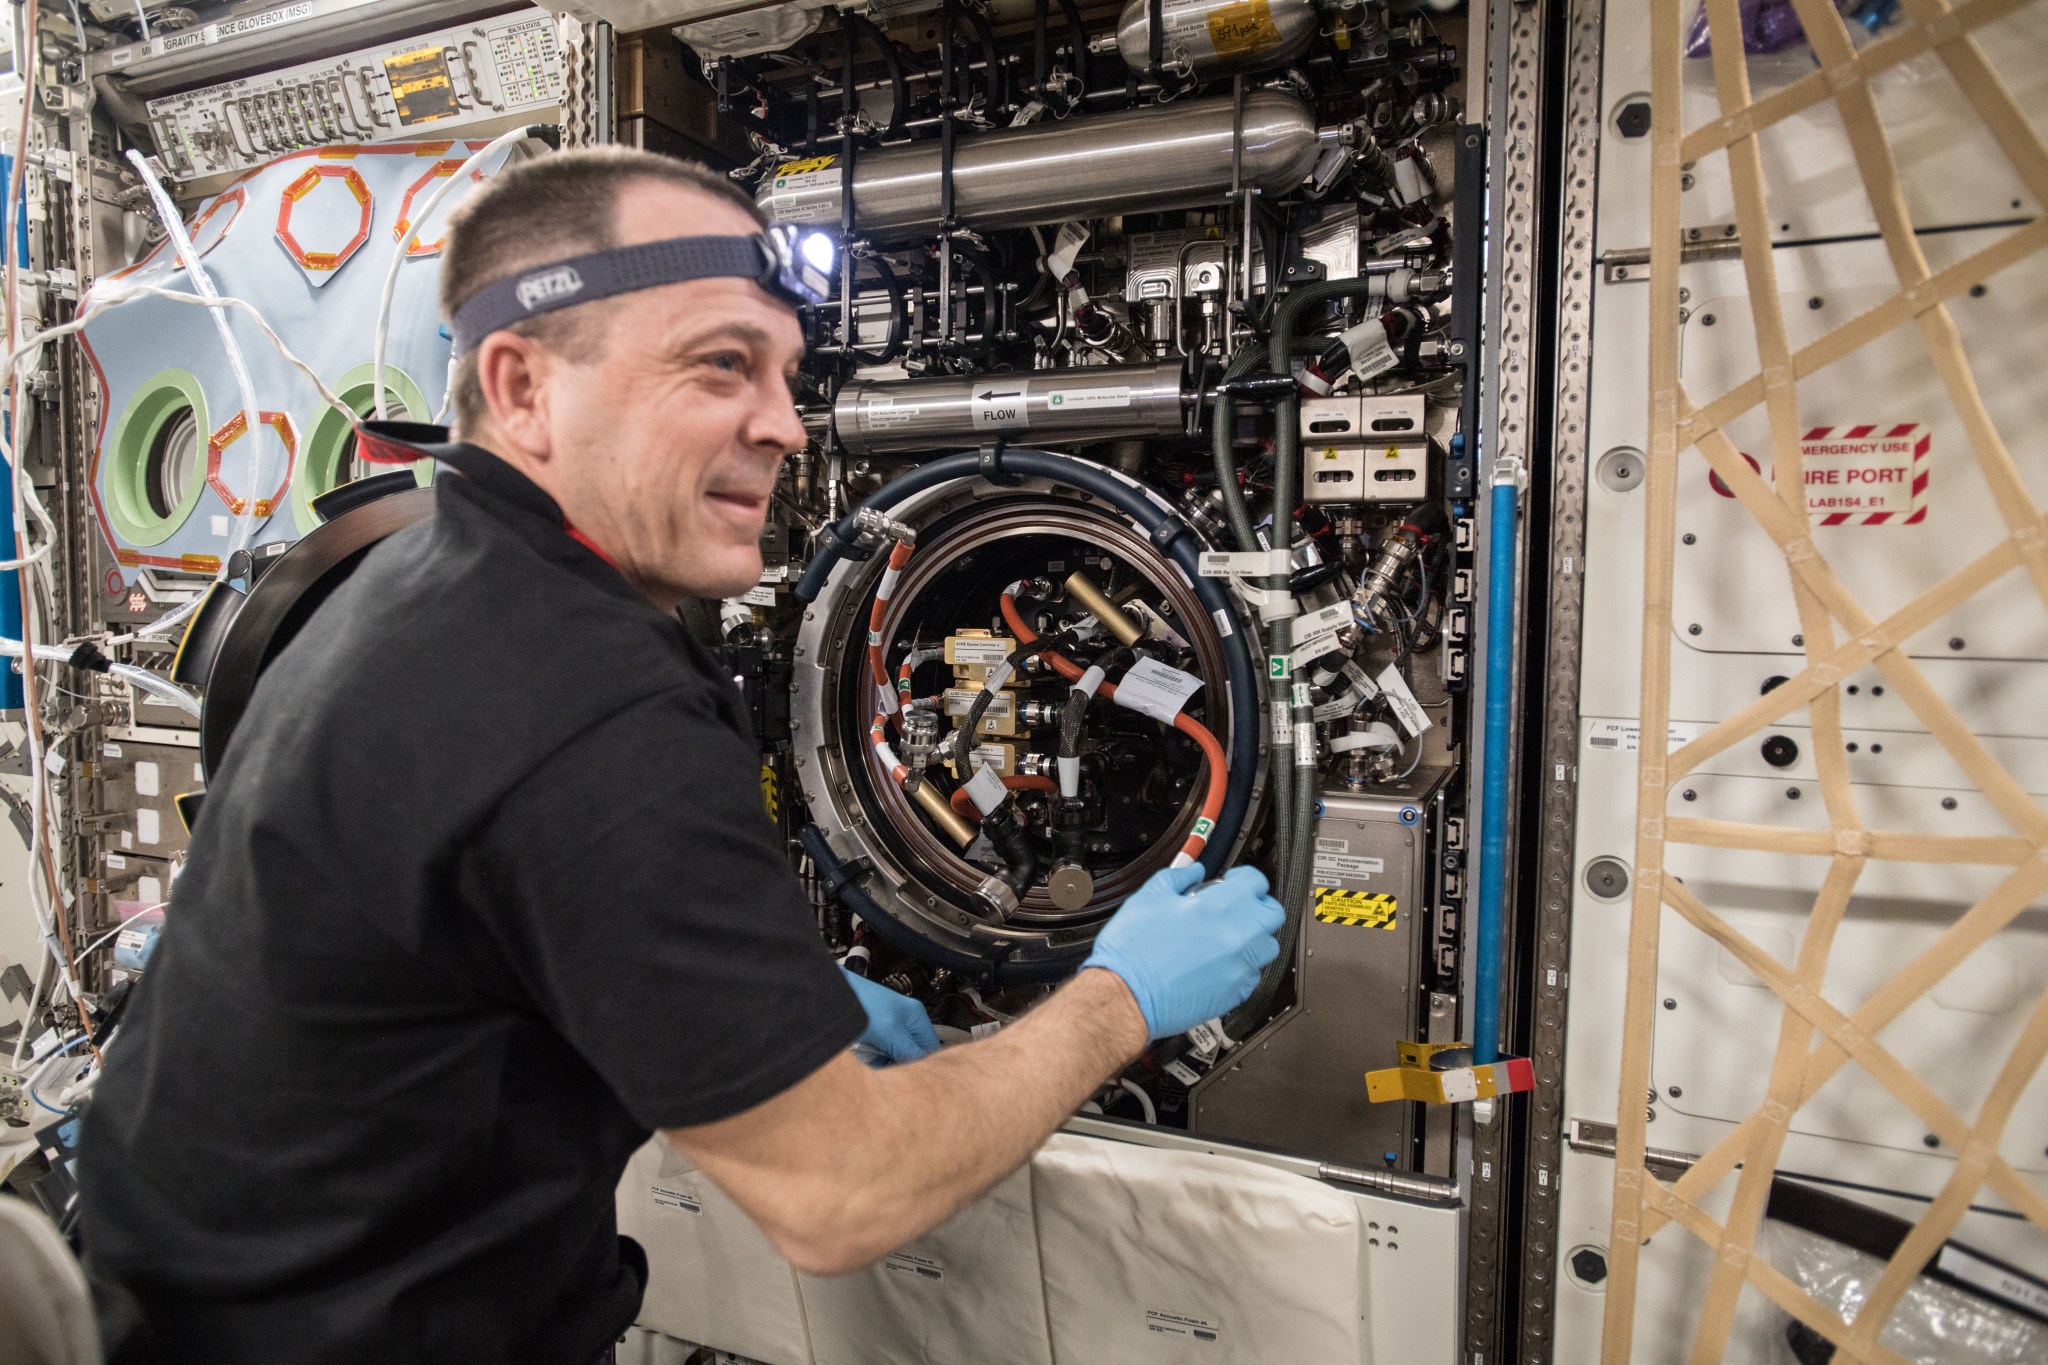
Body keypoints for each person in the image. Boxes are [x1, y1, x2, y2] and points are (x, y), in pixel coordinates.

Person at [77, 146, 1283, 1365]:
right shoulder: (579, 701)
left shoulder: (421, 590)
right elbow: (840, 1195)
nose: (783, 427)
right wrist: (1117, 998)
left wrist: (772, 1014)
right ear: (526, 387)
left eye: (782, 375)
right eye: (718, 366)